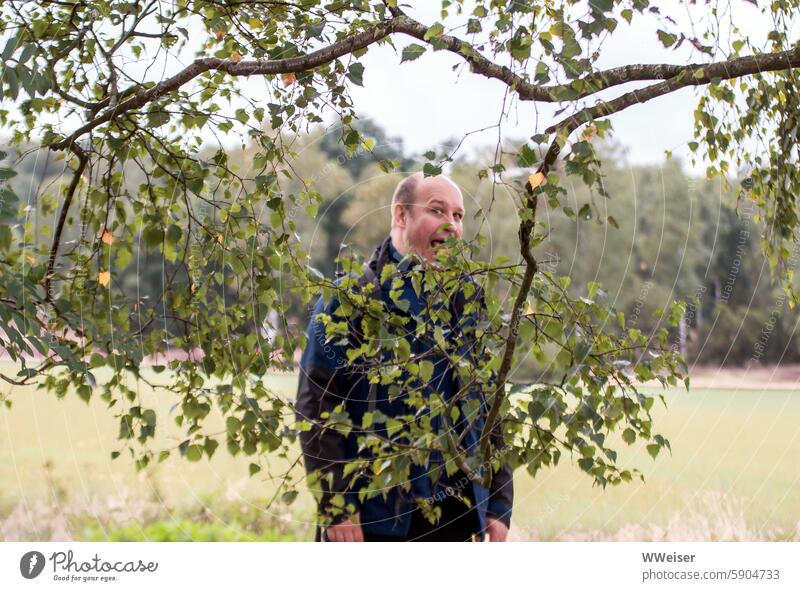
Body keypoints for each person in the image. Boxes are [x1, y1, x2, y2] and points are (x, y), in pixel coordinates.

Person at [295, 172, 513, 542]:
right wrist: (336, 506)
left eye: (458, 216)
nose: (451, 225)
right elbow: (315, 408)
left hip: (454, 517)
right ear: (400, 215)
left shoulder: (470, 301)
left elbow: (488, 401)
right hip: (372, 521)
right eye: (437, 210)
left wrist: (498, 501)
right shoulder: (348, 301)